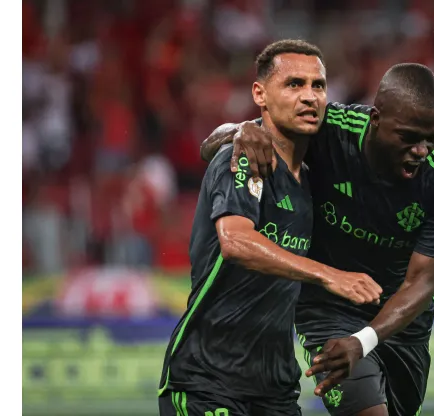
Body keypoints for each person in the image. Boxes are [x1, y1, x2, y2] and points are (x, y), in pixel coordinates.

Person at [201, 60, 434, 416]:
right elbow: (210, 146)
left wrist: (363, 340)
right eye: (408, 137)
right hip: (326, 306)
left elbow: (423, 282)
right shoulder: (330, 130)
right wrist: (239, 131)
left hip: (401, 319)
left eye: (431, 138)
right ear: (376, 120)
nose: (421, 150)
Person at [157, 40, 382, 416]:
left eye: (318, 86)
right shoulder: (244, 157)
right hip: (207, 381)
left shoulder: (316, 179)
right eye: (294, 84)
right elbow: (236, 241)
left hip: (275, 388)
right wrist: (329, 275)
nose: (310, 96)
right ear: (260, 94)